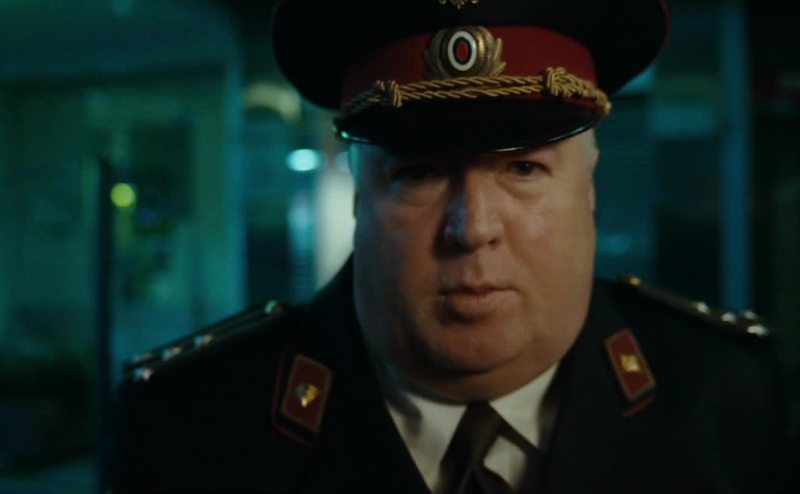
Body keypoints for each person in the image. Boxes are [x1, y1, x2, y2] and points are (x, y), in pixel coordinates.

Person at [110, 0, 795, 492]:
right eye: (419, 173)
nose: (471, 228)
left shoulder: (722, 395)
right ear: (357, 197)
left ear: (589, 187)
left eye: (524, 168)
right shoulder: (193, 426)